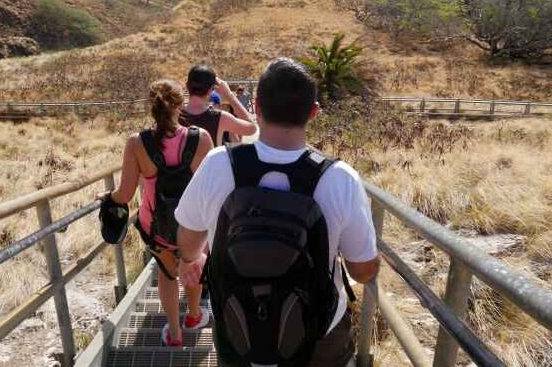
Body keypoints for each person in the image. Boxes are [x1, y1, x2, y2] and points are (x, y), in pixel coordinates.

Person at [175, 58, 379, 366]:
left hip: (237, 326)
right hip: (317, 336)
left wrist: (193, 259)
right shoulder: (340, 178)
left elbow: (188, 243)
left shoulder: (219, 164)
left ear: (256, 107)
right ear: (313, 112)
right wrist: (375, 261)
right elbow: (361, 271)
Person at [98, 79, 214, 347]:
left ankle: (174, 334)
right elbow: (210, 190)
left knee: (167, 274)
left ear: (151, 107)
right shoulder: (201, 139)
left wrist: (108, 197)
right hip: (193, 225)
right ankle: (195, 316)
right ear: (180, 104)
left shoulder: (137, 143)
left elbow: (124, 195)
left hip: (156, 226)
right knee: (192, 266)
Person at [180, 64, 257, 146]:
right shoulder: (221, 117)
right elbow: (252, 128)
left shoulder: (174, 115)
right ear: (212, 89)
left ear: (187, 85)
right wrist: (229, 95)